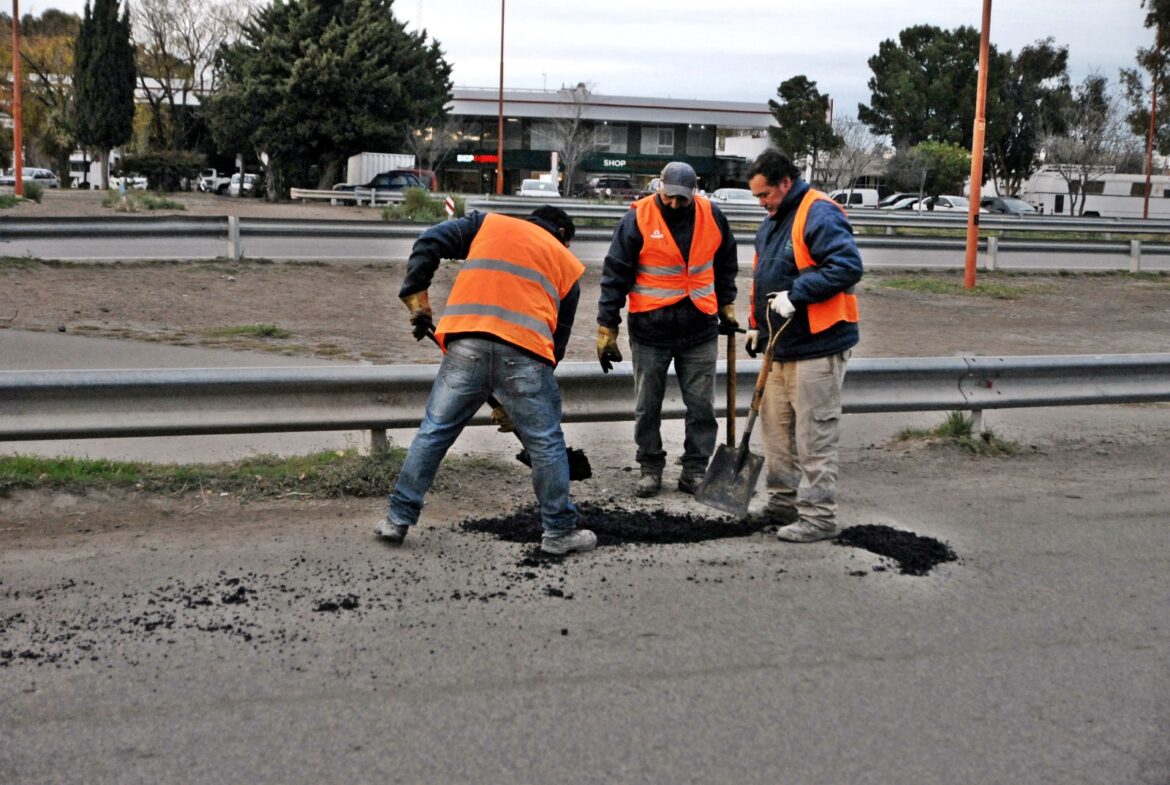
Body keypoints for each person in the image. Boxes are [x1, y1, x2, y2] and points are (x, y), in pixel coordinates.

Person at [377, 205, 597, 556]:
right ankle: (559, 532)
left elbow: (429, 240)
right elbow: (557, 344)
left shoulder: (488, 226)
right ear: (563, 238)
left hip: (466, 346)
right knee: (546, 445)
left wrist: (416, 293)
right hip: (525, 356)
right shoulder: (567, 265)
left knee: (434, 432)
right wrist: (521, 400)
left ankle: (396, 519)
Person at [595, 161, 739, 497]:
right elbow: (615, 273)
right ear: (659, 185)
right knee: (647, 405)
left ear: (695, 191)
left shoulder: (712, 216)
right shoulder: (638, 218)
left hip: (700, 326)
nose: (675, 204)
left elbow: (726, 262)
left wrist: (727, 302)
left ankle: (694, 469)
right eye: (669, 196)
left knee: (702, 405)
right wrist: (607, 326)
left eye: (682, 199)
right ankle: (650, 466)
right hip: (650, 330)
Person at [745, 149, 863, 542]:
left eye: (765, 195)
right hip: (779, 346)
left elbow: (847, 267)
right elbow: (762, 278)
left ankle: (818, 518)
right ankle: (782, 504)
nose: (762, 203)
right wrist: (754, 327)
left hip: (819, 345)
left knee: (814, 438)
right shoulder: (771, 223)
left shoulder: (819, 212)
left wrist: (797, 295)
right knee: (776, 435)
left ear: (785, 182)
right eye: (757, 197)